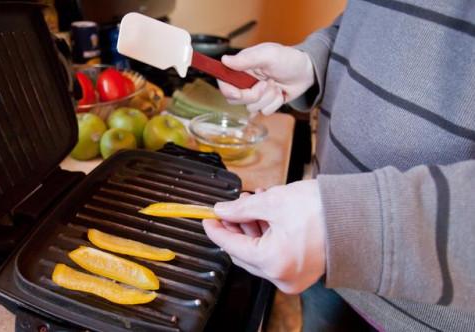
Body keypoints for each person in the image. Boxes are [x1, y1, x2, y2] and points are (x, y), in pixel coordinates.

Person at [202, 1, 475, 331]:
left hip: (430, 315)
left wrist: (353, 223)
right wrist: (314, 61)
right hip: (330, 269)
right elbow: (372, 21)